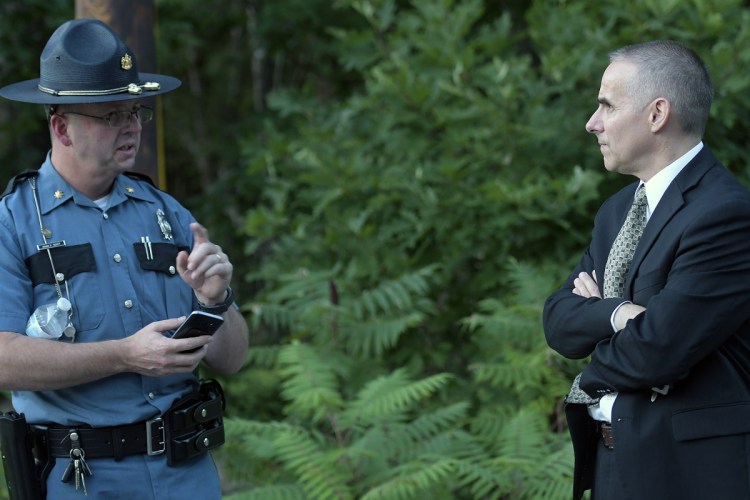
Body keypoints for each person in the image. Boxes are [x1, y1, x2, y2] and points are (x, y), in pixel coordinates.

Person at [0, 18, 249, 498]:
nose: (132, 126)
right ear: (62, 127)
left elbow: (233, 359)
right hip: (83, 479)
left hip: (186, 474)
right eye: (112, 115)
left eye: (136, 112)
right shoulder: (14, 223)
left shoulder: (166, 213)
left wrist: (216, 301)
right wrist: (123, 355)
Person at [543, 40, 750, 500]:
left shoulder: (726, 215)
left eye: (606, 106)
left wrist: (593, 353)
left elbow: (657, 352)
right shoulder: (617, 211)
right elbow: (557, 321)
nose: (591, 123)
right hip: (612, 464)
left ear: (657, 115)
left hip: (686, 474)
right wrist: (617, 314)